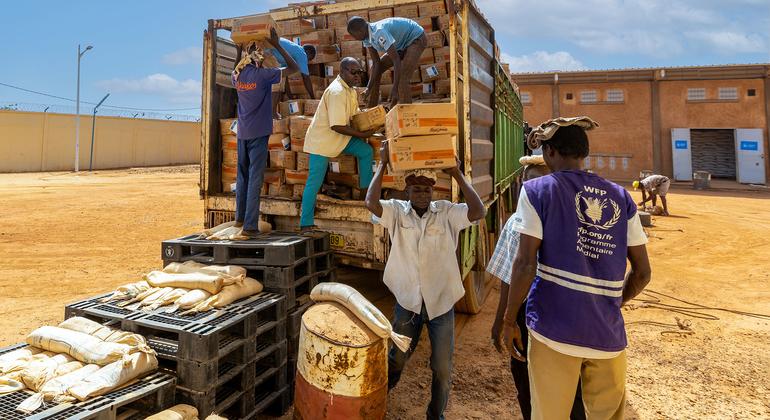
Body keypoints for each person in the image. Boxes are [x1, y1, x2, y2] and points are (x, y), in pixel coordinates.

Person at [501, 117, 652, 420]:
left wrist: (508, 320)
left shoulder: (536, 191)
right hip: (607, 337)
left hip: (552, 331)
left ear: (550, 153)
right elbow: (643, 273)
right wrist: (610, 302)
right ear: (583, 153)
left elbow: (525, 263)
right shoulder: (622, 198)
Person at [365, 142, 486, 420]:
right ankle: (377, 402)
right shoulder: (396, 210)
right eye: (416, 189)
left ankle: (436, 415)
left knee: (442, 368)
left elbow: (477, 212)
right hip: (407, 303)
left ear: (433, 192)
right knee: (396, 359)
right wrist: (382, 163)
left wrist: (456, 171)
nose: (422, 194)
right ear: (407, 191)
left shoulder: (446, 212)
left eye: (427, 189)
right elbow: (370, 203)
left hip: (440, 304)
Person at [488, 155, 586, 420]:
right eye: (529, 183)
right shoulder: (516, 222)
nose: (535, 191)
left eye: (542, 183)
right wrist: (502, 321)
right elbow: (509, 277)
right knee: (526, 384)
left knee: (571, 390)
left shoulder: (577, 221)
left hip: (566, 316)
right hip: (526, 316)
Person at [231, 28, 300, 237]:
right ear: (259, 57)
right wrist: (277, 44)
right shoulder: (263, 75)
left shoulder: (237, 75)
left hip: (242, 133)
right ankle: (250, 226)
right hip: (258, 134)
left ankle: (240, 218)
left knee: (242, 177)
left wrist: (239, 49)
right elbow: (293, 68)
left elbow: (237, 66)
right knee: (254, 178)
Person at [300, 57, 376, 231]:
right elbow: (337, 126)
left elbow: (354, 115)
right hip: (323, 142)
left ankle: (366, 196)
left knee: (366, 151)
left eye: (360, 72)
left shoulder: (350, 90)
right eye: (353, 72)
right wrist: (362, 133)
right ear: (341, 72)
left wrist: (372, 121)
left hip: (340, 140)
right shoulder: (337, 92)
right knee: (314, 181)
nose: (357, 76)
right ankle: (305, 223)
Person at [346, 16, 427, 108]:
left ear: (359, 31)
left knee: (402, 78)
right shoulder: (366, 38)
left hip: (415, 39)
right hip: (400, 45)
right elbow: (376, 63)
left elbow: (396, 60)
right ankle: (372, 110)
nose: (354, 38)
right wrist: (368, 88)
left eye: (354, 35)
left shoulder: (379, 32)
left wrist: (395, 89)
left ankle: (406, 115)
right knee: (375, 70)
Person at [265, 38, 316, 116]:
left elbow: (284, 77)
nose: (307, 62)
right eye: (309, 59)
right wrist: (313, 98)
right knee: (276, 86)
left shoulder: (292, 51)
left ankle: (273, 111)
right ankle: (272, 113)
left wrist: (290, 96)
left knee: (279, 81)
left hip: (267, 48)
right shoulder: (302, 54)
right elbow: (306, 78)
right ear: (309, 53)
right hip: (267, 49)